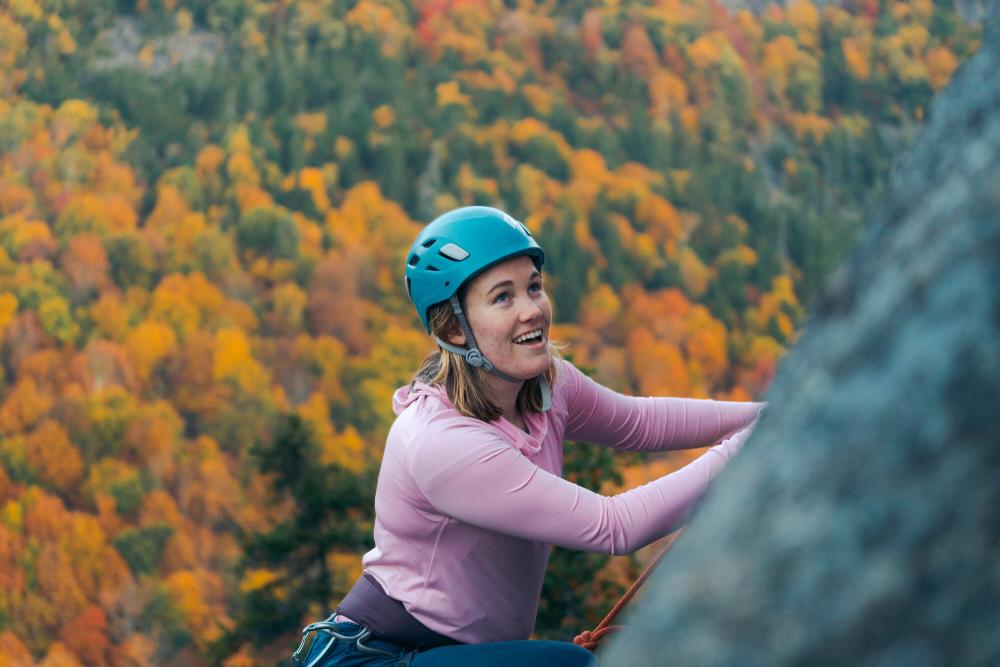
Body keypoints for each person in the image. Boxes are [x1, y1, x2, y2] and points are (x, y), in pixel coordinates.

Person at [293, 206, 765, 667]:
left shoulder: (545, 385)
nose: (531, 311)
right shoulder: (445, 443)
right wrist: (749, 448)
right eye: (503, 297)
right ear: (454, 327)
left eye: (534, 287)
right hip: (382, 656)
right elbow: (613, 527)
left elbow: (639, 424)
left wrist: (771, 414)